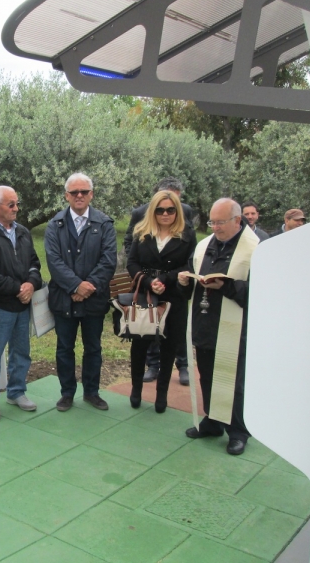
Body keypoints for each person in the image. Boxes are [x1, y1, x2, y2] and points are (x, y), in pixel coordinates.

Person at [178, 198, 259, 456]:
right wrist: (184, 281)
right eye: (212, 222)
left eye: (220, 222)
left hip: (236, 328)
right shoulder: (204, 247)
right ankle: (213, 421)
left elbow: (264, 294)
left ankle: (238, 430)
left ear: (238, 221)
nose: (215, 227)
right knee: (207, 373)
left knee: (233, 380)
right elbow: (192, 276)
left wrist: (227, 286)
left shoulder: (256, 249)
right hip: (205, 321)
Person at [45, 173, 117, 412]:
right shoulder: (55, 224)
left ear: (91, 194)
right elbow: (54, 262)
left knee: (93, 347)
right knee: (64, 348)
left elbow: (108, 261)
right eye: (74, 192)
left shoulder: (104, 223)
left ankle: (91, 392)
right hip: (64, 299)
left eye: (83, 192)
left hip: (94, 300)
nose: (79, 196)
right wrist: (76, 286)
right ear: (66, 195)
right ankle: (67, 394)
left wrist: (87, 288)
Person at [126, 190, 196, 413]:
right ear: (153, 211)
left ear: (177, 210)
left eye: (170, 210)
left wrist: (165, 279)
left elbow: (190, 265)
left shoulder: (186, 235)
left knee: (169, 347)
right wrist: (148, 282)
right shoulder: (142, 233)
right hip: (147, 296)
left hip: (173, 295)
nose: (165, 214)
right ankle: (136, 389)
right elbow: (132, 263)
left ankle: (162, 394)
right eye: (160, 210)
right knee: (140, 344)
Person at [0, 186, 43, 420]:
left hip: (22, 306)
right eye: (11, 204)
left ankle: (16, 392)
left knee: (21, 352)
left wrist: (31, 284)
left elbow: (35, 264)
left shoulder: (23, 232)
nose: (16, 208)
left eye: (16, 203)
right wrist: (19, 288)